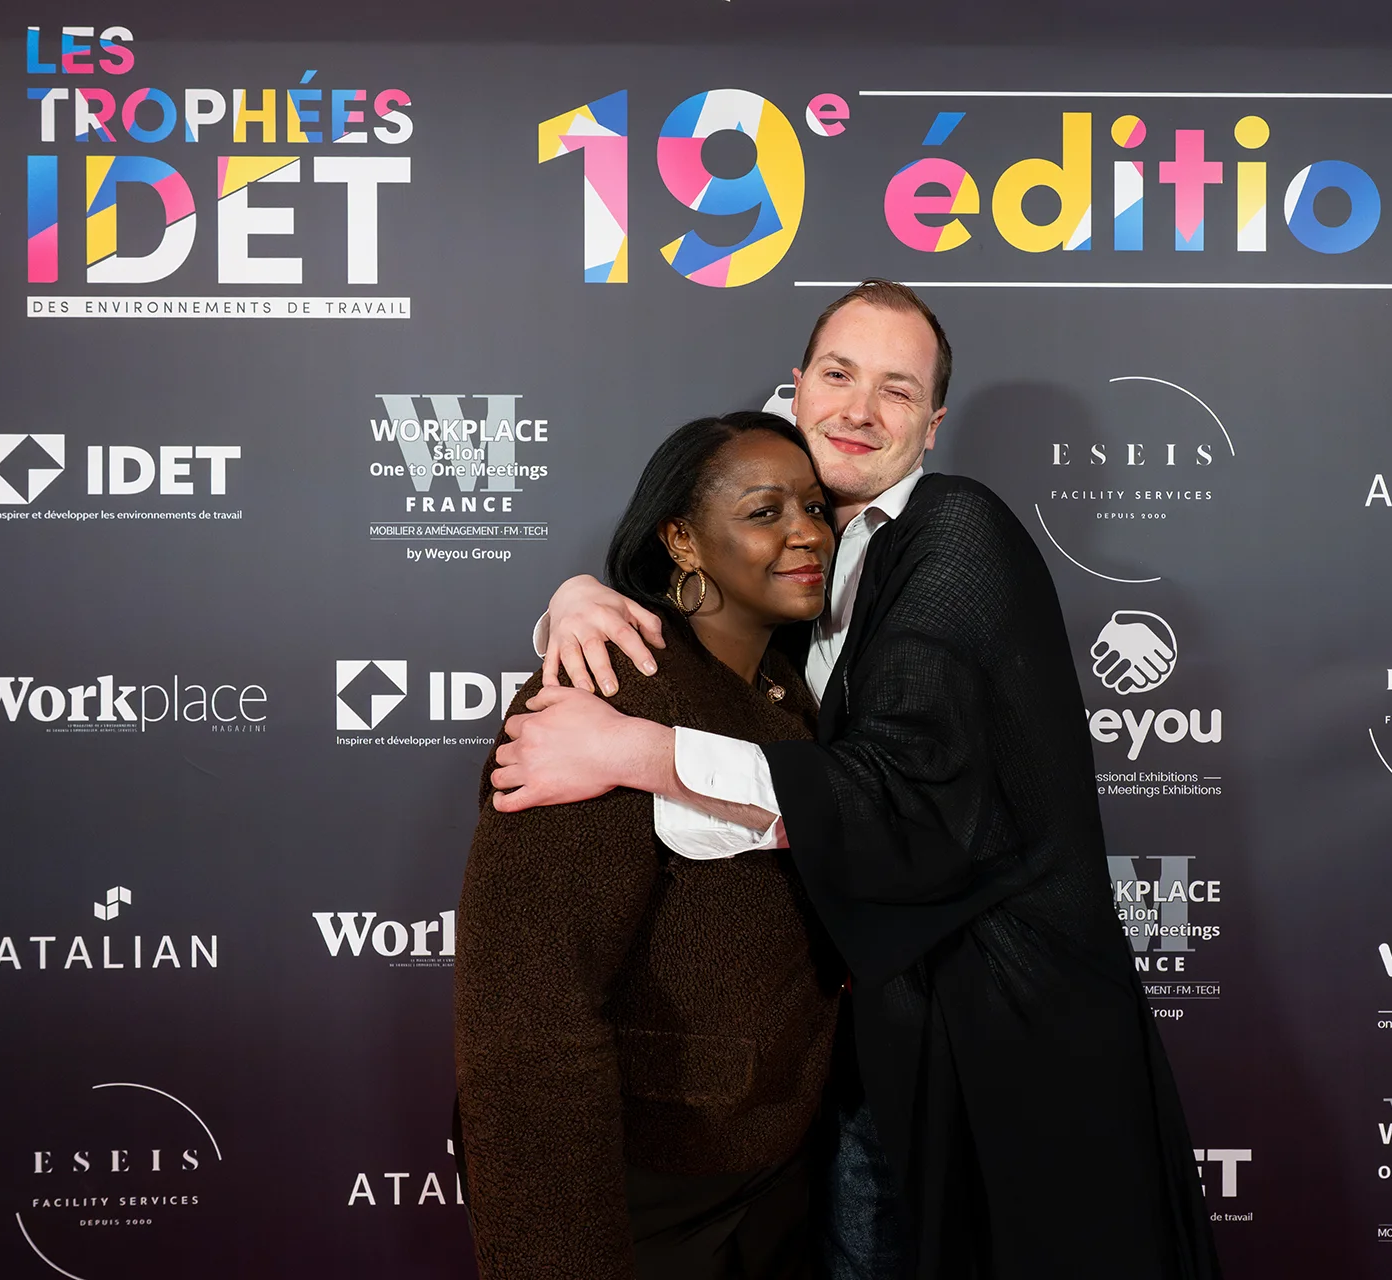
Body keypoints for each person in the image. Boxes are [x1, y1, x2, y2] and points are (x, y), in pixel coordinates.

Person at [491, 281, 1221, 1279]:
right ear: (796, 387)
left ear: (933, 425)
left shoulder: (956, 531)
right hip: (853, 1054)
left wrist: (632, 751)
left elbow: (902, 794)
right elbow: (700, 565)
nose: (860, 409)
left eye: (897, 389)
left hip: (1001, 1038)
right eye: (839, 375)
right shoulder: (807, 543)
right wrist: (576, 597)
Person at [454, 412, 843, 1280]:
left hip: (772, 1169)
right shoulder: (605, 685)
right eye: (765, 511)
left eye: (816, 508)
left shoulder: (793, 689)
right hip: (643, 1192)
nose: (807, 533)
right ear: (682, 539)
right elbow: (527, 1008)